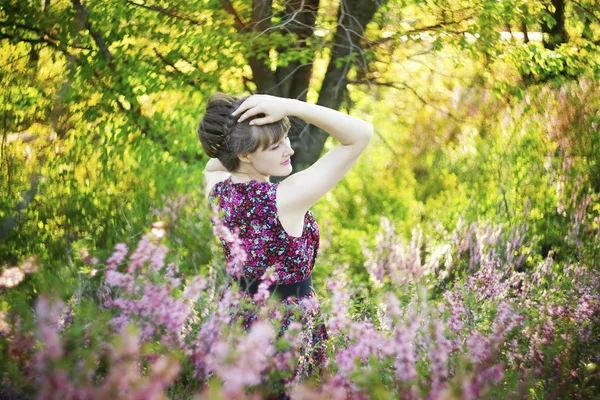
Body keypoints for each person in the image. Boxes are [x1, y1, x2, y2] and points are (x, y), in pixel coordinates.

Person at [198, 92, 373, 380]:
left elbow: (216, 164)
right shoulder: (284, 199)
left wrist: (245, 142)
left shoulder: (216, 188)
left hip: (238, 318)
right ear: (245, 154)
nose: (288, 150)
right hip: (284, 326)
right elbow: (361, 134)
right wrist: (289, 105)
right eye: (276, 145)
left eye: (286, 138)